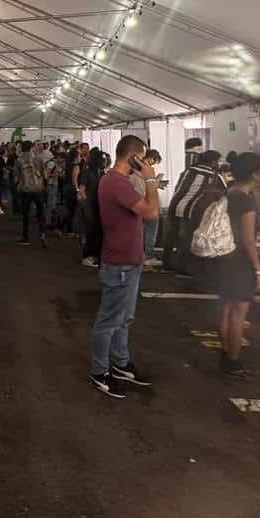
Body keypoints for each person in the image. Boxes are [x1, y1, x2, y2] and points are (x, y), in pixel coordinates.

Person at [90, 136, 159, 398]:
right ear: (134, 157)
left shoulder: (119, 181)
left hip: (128, 259)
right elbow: (151, 212)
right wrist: (150, 180)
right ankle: (99, 371)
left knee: (124, 319)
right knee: (109, 321)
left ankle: (120, 363)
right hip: (120, 262)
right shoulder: (116, 183)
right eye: (142, 157)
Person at [214, 153, 260, 380]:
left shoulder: (231, 192)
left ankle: (226, 355)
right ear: (254, 174)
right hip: (241, 261)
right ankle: (234, 363)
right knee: (238, 314)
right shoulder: (246, 200)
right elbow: (247, 239)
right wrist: (258, 271)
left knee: (227, 310)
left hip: (226, 257)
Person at [165, 150, 225, 275]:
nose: (219, 164)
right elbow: (224, 192)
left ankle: (167, 262)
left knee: (172, 237)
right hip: (190, 210)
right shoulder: (213, 176)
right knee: (185, 239)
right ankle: (183, 267)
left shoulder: (188, 171)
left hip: (175, 206)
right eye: (218, 161)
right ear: (213, 162)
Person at [14, 140, 48, 248]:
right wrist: (44, 185)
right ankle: (42, 234)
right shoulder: (38, 159)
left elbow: (16, 178)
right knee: (41, 213)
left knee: (26, 214)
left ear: (21, 148)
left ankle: (26, 237)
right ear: (31, 148)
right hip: (38, 189)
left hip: (26, 190)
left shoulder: (18, 161)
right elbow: (45, 175)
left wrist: (18, 186)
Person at [78, 149, 106, 268]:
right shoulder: (87, 172)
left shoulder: (100, 172)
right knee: (90, 231)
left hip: (98, 205)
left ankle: (95, 255)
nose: (104, 161)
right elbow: (81, 190)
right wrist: (86, 205)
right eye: (102, 159)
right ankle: (87, 256)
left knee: (97, 232)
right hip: (90, 205)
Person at [139, 149, 163, 263]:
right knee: (151, 231)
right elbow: (147, 188)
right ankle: (149, 255)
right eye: (154, 161)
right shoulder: (146, 169)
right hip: (148, 203)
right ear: (151, 158)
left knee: (142, 231)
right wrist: (155, 182)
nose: (153, 164)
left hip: (140, 204)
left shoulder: (135, 168)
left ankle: (142, 254)